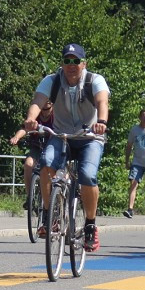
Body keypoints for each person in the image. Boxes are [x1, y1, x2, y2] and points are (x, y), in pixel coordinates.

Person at [22, 43, 109, 252]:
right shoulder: (52, 81)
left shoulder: (94, 80)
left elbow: (102, 101)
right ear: (62, 63)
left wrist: (102, 122)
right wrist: (31, 119)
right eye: (67, 61)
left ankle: (90, 225)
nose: (71, 65)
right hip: (61, 136)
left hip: (89, 137)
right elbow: (38, 101)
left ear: (83, 63)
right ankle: (48, 214)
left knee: (87, 175)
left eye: (76, 61)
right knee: (45, 165)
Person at [9, 99, 54, 209]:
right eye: (43, 109)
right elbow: (25, 129)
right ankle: (30, 197)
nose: (45, 112)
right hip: (37, 146)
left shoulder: (56, 115)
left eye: (48, 109)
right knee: (28, 164)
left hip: (52, 147)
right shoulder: (35, 115)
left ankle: (56, 197)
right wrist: (16, 137)